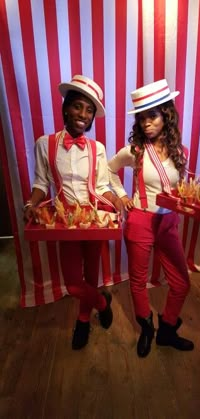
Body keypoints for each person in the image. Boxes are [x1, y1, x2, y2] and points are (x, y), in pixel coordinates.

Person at [24, 75, 122, 350]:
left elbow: (102, 185)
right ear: (66, 108)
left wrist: (117, 200)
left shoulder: (97, 148)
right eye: (78, 106)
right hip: (63, 220)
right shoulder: (46, 143)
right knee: (73, 283)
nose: (84, 115)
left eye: (90, 110)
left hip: (93, 218)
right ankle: (101, 303)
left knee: (91, 274)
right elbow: (41, 183)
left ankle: (82, 319)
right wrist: (31, 204)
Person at [108, 79, 194, 357]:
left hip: (168, 222)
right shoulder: (134, 151)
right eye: (142, 118)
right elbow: (109, 170)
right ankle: (146, 328)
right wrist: (121, 196)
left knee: (181, 281)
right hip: (140, 220)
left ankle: (167, 330)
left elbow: (182, 189)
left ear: (166, 115)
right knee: (138, 281)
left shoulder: (182, 152)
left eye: (152, 116)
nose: (146, 123)